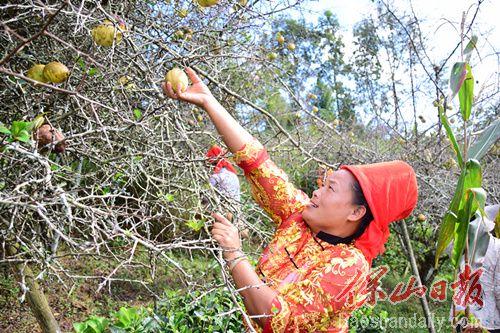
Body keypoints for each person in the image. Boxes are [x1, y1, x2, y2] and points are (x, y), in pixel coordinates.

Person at [162, 68, 418, 332]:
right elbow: (256, 162)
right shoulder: (300, 214)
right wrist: (208, 101)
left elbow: (279, 320)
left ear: (355, 212)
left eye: (330, 188)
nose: (317, 192)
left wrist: (235, 254)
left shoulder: (349, 267)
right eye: (323, 184)